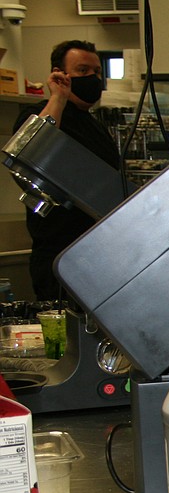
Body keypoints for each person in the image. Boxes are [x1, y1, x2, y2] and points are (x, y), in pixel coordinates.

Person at [13, 39, 120, 301]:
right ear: (59, 74)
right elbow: (31, 150)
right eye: (83, 71)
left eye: (96, 72)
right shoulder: (39, 113)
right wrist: (58, 98)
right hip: (60, 255)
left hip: (99, 254)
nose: (92, 78)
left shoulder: (96, 126)